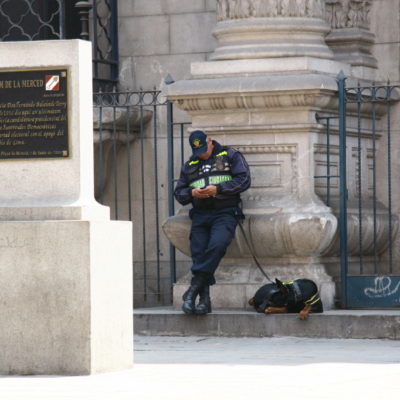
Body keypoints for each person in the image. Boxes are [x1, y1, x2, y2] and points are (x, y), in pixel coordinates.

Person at [174, 130, 251, 315]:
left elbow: (244, 180)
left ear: (209, 141)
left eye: (203, 149)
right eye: (197, 151)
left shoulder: (229, 155)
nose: (201, 153)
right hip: (200, 213)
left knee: (217, 245)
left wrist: (217, 189)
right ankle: (204, 301)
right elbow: (179, 193)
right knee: (199, 254)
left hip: (225, 211)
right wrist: (192, 193)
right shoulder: (190, 164)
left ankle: (193, 290)